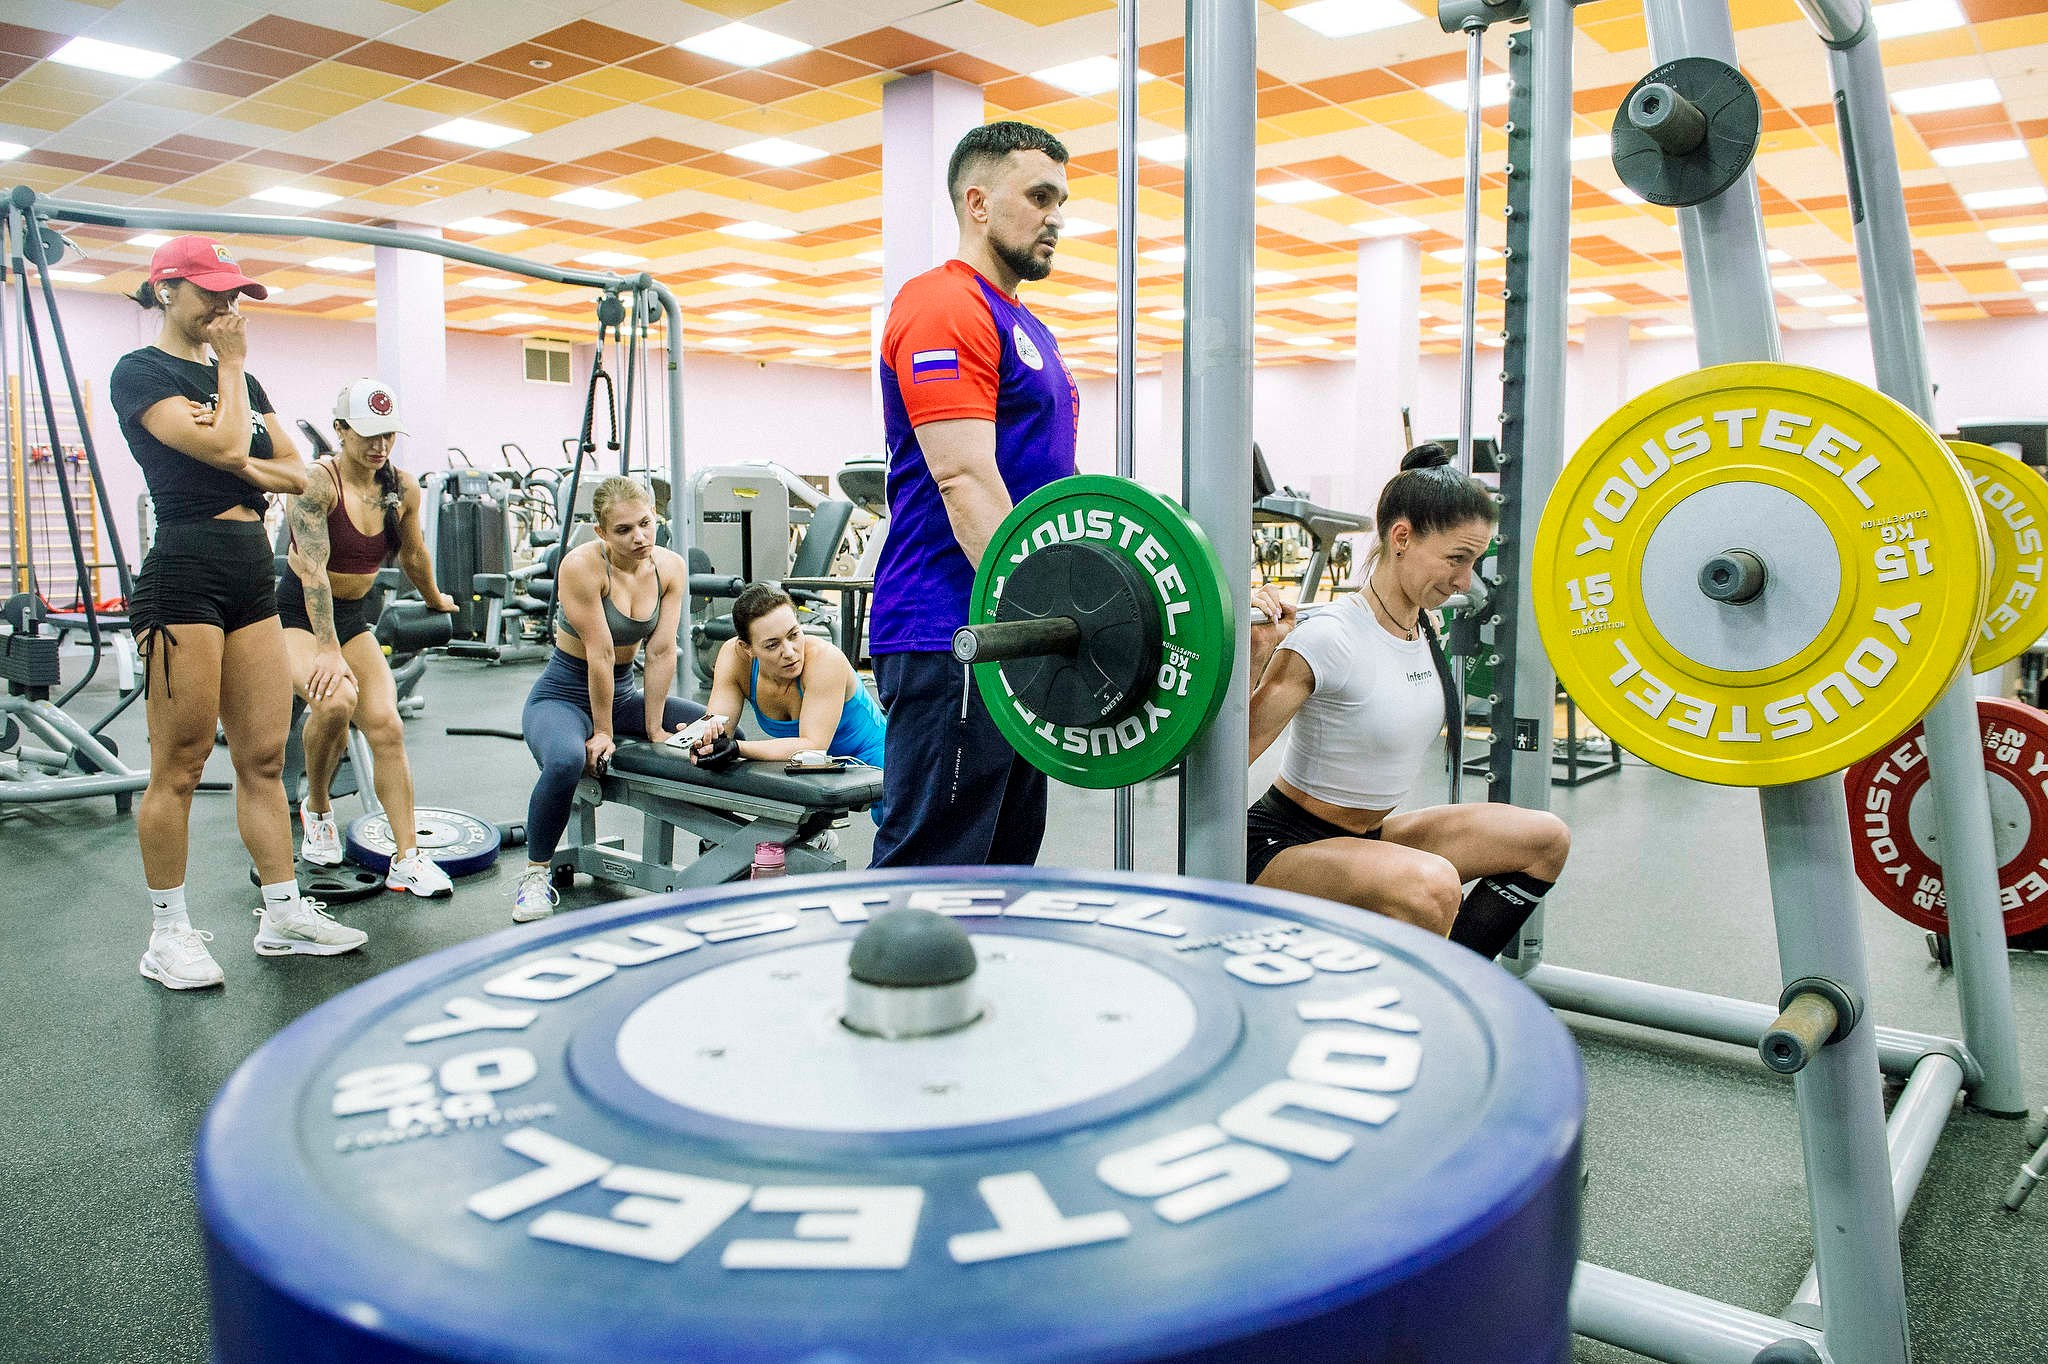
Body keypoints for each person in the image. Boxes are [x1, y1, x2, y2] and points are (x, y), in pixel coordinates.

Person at [114, 235, 367, 991]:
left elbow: (303, 476)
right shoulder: (143, 372)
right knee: (182, 765)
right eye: (213, 295)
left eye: (234, 297)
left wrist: (239, 457)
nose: (228, 309)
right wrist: (228, 376)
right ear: (166, 290)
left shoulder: (244, 380)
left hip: (250, 574)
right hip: (183, 571)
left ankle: (283, 912)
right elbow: (226, 440)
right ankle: (168, 933)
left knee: (262, 757)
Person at [1247, 445, 1569, 961]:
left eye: (1475, 561)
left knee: (1543, 838)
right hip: (1281, 848)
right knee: (1433, 885)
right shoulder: (1329, 636)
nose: (1466, 581)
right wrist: (1258, 656)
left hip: (1366, 836)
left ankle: (1452, 982)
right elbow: (1223, 761)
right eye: (1456, 559)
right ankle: (1422, 1013)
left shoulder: (1422, 624)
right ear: (1402, 538)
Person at [868, 120, 1079, 868]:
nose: (1057, 216)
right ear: (979, 203)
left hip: (1009, 634)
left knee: (1004, 865)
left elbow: (1048, 487)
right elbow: (963, 479)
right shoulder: (943, 304)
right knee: (932, 869)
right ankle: (888, 989)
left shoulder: (1025, 324)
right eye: (1040, 196)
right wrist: (1029, 617)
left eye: (1062, 200)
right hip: (953, 632)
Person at [281, 379, 461, 897]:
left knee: (386, 726)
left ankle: (407, 857)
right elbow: (312, 571)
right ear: (340, 431)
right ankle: (317, 806)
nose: (379, 446)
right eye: (367, 434)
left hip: (353, 615)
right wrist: (326, 648)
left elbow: (413, 552)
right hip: (297, 614)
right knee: (335, 701)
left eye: (388, 434)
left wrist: (435, 598)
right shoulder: (317, 483)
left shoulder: (401, 486)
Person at [514, 476, 704, 922]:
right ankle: (534, 875)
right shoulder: (581, 566)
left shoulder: (670, 567)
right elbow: (599, 653)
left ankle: (720, 846)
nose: (639, 536)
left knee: (709, 728)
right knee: (564, 761)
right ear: (601, 532)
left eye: (645, 523)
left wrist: (655, 726)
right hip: (562, 697)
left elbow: (659, 652)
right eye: (623, 529)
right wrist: (602, 731)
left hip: (622, 695)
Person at [692, 583, 887, 825]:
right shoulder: (734, 656)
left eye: (794, 635)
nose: (790, 652)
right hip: (809, 769)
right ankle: (818, 833)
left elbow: (812, 746)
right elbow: (719, 725)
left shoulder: (825, 660)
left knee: (899, 845)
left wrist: (739, 748)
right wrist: (702, 738)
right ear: (747, 648)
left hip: (877, 759)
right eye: (772, 645)